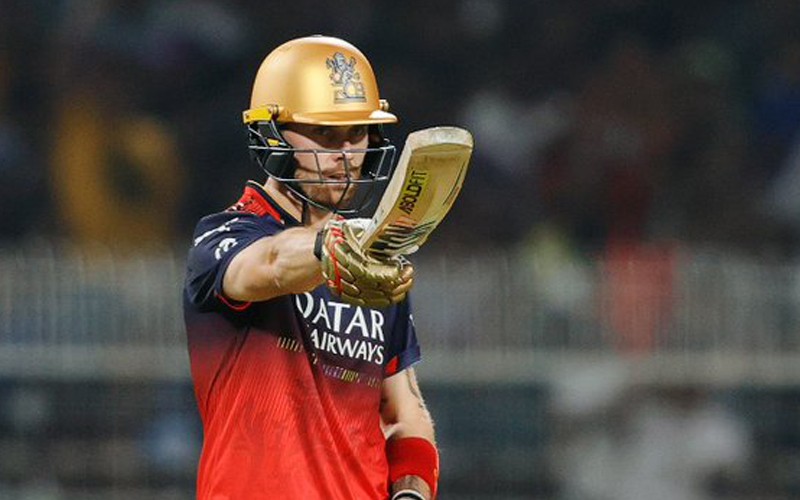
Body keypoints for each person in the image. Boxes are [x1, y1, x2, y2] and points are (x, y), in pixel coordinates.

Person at [182, 35, 438, 500]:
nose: (346, 153)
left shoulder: (371, 256)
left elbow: (404, 414)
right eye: (324, 133)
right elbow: (270, 264)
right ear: (271, 136)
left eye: (357, 133)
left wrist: (411, 493)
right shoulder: (220, 238)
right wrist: (331, 247)